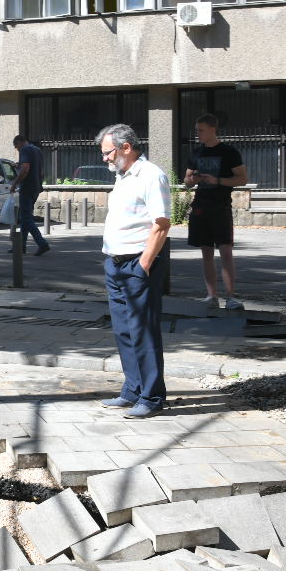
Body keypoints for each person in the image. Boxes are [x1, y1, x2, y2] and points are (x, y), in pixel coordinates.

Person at [97, 123, 171, 419]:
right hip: (115, 262)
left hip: (138, 263)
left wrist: (144, 265)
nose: (104, 158)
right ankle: (132, 389)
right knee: (123, 330)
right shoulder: (123, 176)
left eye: (107, 152)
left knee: (143, 330)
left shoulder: (151, 175)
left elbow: (161, 223)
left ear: (126, 147)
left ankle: (152, 396)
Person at [183, 113, 248, 309]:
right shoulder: (196, 153)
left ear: (212, 129)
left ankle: (230, 297)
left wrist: (217, 180)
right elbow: (186, 181)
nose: (198, 134)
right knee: (206, 252)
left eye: (201, 130)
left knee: (226, 251)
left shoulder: (229, 152)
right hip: (201, 206)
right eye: (197, 130)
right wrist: (192, 180)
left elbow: (242, 179)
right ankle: (211, 295)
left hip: (220, 206)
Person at [9, 134, 50, 257]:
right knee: (24, 217)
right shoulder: (37, 150)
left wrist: (15, 183)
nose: (17, 150)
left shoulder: (25, 150)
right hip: (36, 188)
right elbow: (39, 170)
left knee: (26, 218)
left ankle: (42, 244)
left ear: (20, 142)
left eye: (16, 146)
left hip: (27, 188)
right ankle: (21, 246)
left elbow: (26, 169)